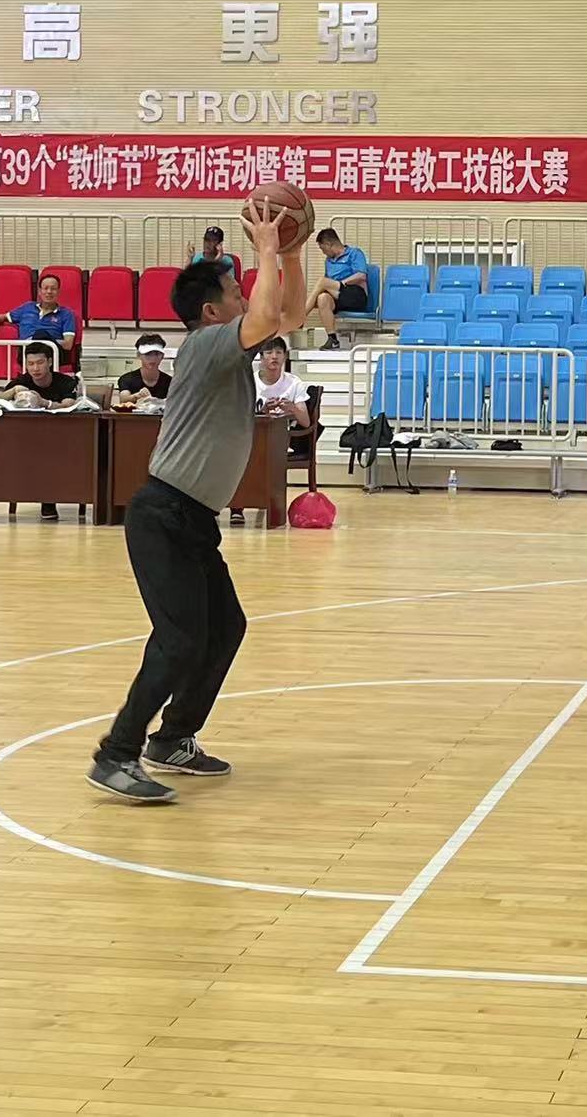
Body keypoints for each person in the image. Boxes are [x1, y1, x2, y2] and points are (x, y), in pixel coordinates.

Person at [87, 199, 305, 805]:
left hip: (192, 519)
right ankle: (116, 754)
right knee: (179, 638)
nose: (245, 299)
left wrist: (289, 253)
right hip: (164, 515)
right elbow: (270, 313)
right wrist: (268, 246)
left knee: (226, 626)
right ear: (212, 311)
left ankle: (172, 738)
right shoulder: (207, 344)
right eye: (236, 293)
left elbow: (286, 313)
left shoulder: (229, 344)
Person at [228, 336, 311, 525]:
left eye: (279, 353)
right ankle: (237, 507)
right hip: (249, 437)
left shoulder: (294, 383)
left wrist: (292, 408)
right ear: (261, 357)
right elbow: (237, 413)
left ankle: (273, 507)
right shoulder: (248, 380)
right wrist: (261, 410)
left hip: (281, 441)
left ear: (285, 357)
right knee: (237, 454)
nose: (274, 357)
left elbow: (306, 422)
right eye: (269, 352)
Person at [1, 342, 80, 521]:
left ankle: (48, 501)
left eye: (40, 363)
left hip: (61, 436)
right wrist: (13, 390)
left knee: (49, 456)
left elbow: (69, 404)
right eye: (30, 364)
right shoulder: (21, 381)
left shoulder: (65, 381)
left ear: (50, 362)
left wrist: (45, 403)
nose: (35, 368)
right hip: (26, 437)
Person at [304, 227, 370, 349]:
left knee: (322, 282)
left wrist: (342, 283)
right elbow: (326, 284)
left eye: (323, 248)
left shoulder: (354, 253)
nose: (323, 252)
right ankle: (333, 339)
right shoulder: (328, 261)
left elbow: (361, 275)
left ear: (329, 244)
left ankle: (301, 317)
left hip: (356, 295)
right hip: (338, 296)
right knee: (323, 298)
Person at [0, 272, 77, 357]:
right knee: (37, 339)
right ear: (39, 291)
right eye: (45, 288)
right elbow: (4, 317)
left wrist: (46, 341)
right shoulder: (27, 307)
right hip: (26, 352)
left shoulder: (66, 314)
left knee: (40, 334)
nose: (49, 292)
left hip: (52, 354)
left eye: (53, 289)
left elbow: (68, 344)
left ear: (58, 292)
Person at [116, 334, 172, 405]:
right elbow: (123, 400)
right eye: (147, 354)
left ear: (162, 356)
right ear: (138, 355)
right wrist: (137, 396)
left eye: (157, 354)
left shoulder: (170, 382)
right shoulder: (127, 379)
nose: (153, 358)